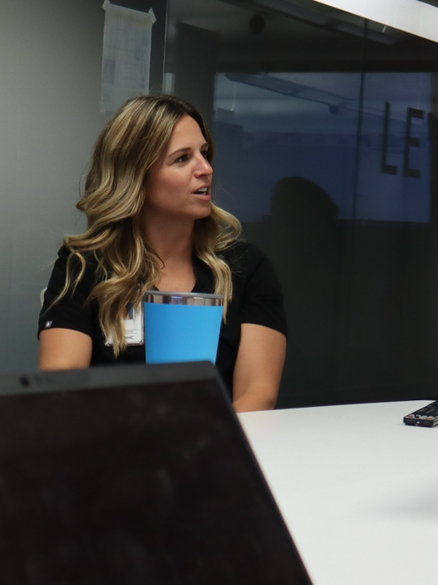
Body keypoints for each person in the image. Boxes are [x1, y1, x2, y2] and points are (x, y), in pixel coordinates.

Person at [38, 94, 287, 412]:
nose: (206, 169)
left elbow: (257, 395)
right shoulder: (84, 264)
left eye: (204, 153)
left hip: (214, 449)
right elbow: (61, 389)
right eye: (182, 158)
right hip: (114, 452)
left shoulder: (245, 266)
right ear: (137, 176)